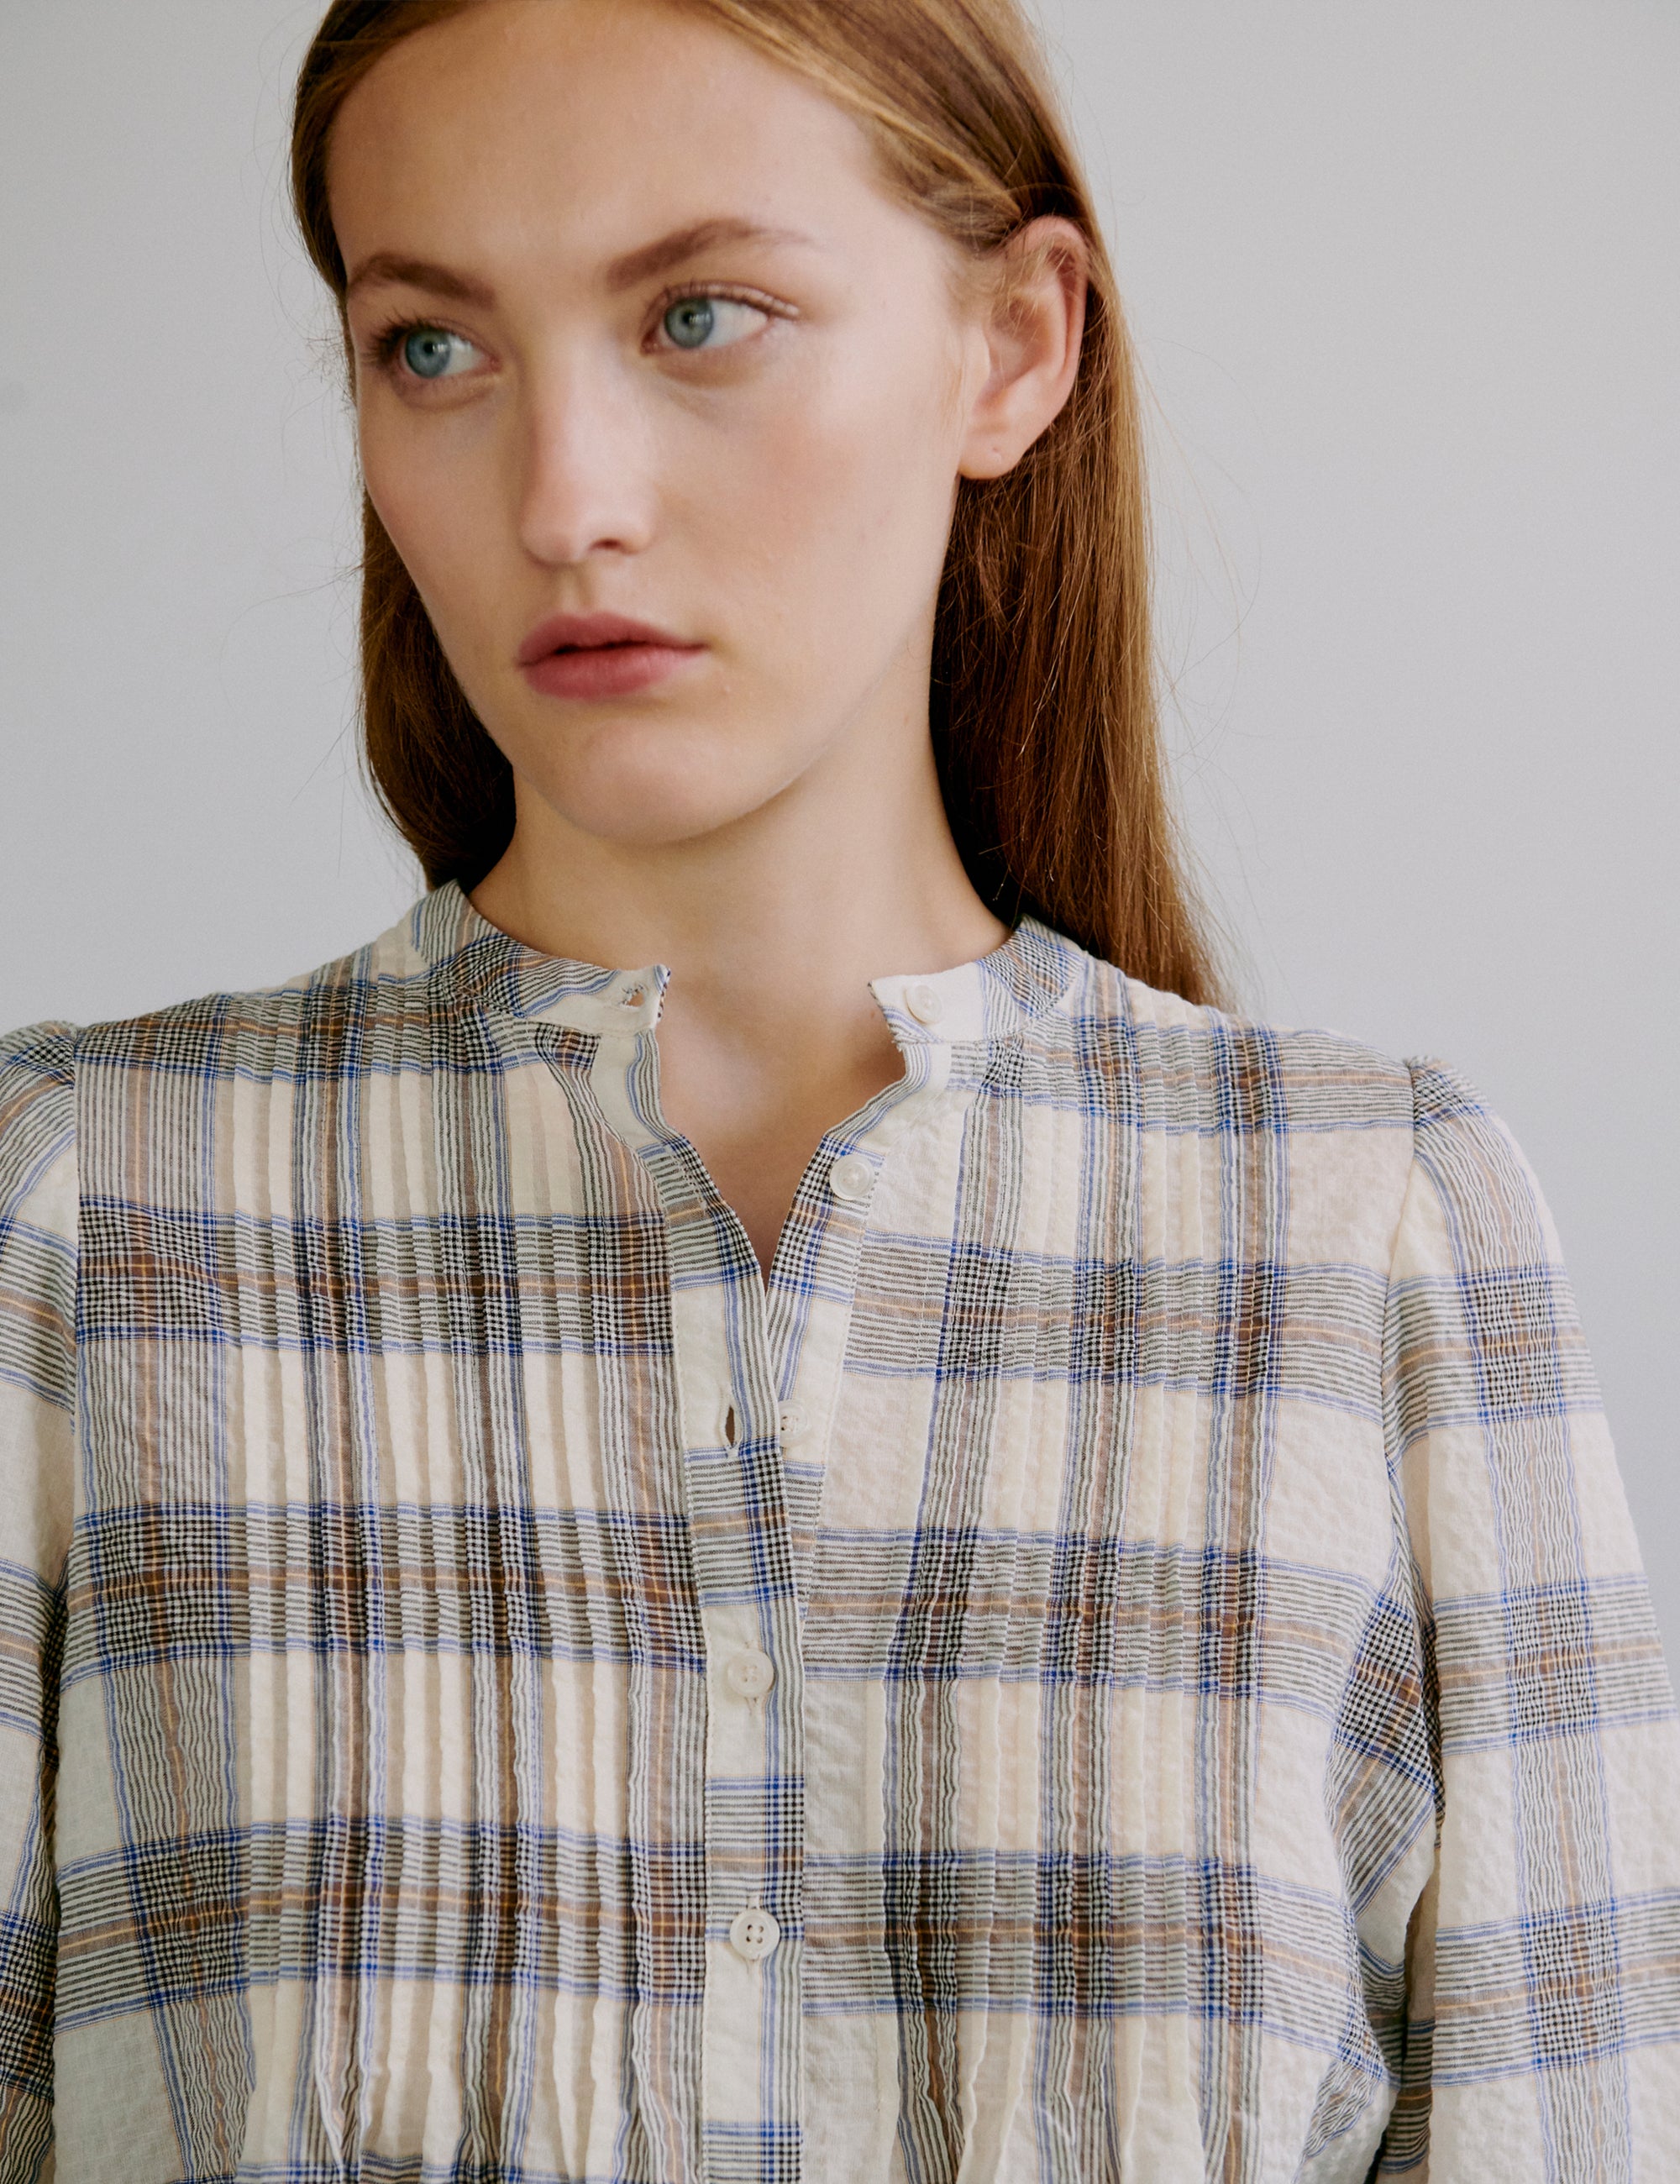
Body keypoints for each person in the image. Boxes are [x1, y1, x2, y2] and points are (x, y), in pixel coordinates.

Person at [1, 0, 1675, 2176]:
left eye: (699, 315)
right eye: (433, 346)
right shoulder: (79, 1216)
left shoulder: (1368, 1230)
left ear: (1013, 343)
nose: (564, 499)